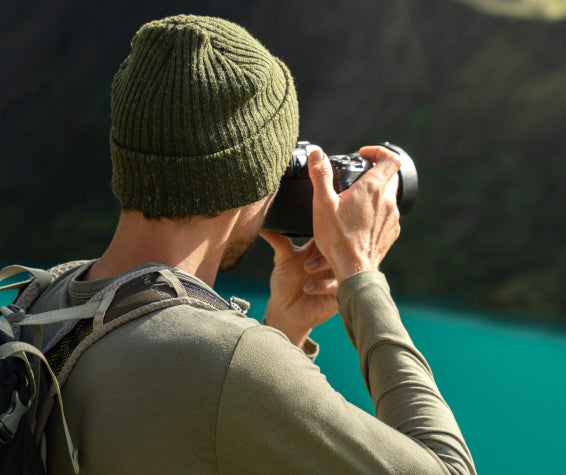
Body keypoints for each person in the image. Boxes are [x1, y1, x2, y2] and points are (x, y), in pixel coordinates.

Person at [28, 14, 476, 474]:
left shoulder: (46, 299)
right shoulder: (226, 363)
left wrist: (281, 333)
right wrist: (361, 276)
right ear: (256, 178)